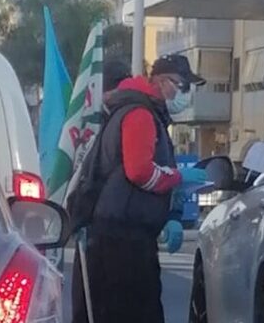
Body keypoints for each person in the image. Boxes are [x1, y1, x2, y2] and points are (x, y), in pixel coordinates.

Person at [71, 54, 208, 323]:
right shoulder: (140, 114)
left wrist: (170, 215)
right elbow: (140, 171)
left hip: (119, 235)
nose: (185, 95)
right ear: (160, 81)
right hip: (122, 241)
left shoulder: (136, 111)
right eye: (181, 86)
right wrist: (177, 177)